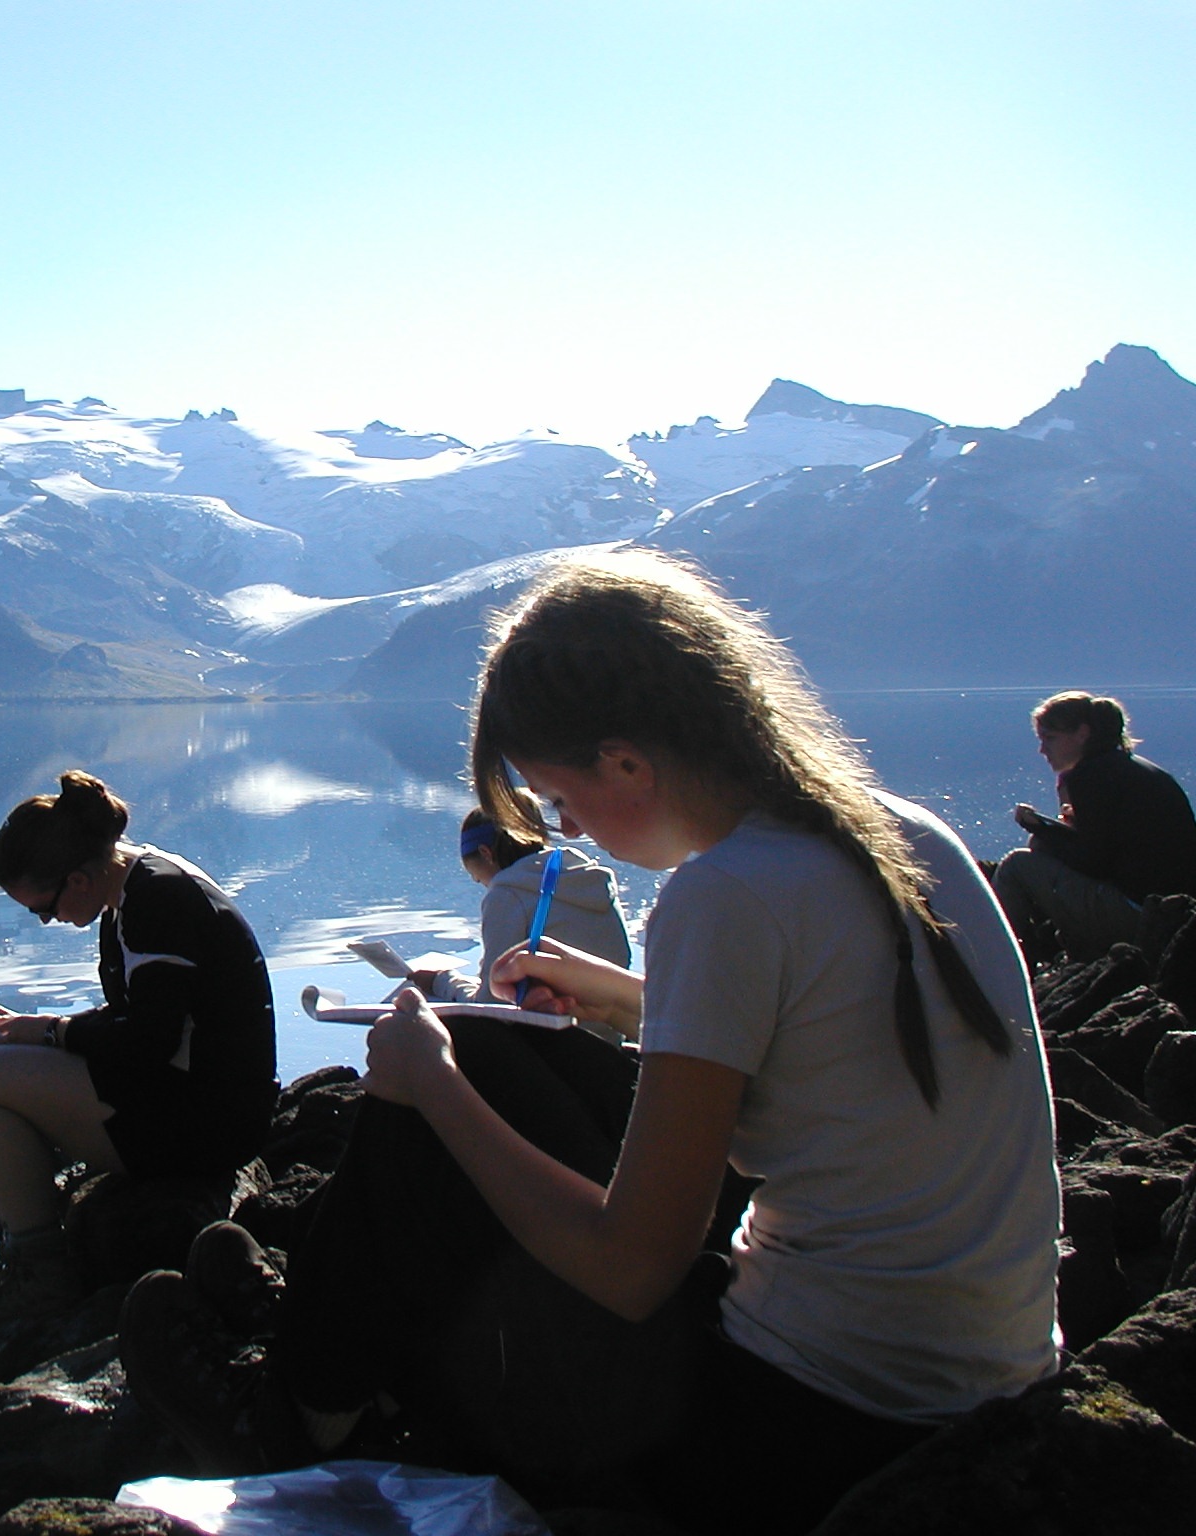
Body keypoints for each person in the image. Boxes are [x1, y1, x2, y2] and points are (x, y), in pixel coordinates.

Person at [121, 551, 1061, 1535]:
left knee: (444, 1093)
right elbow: (812, 1043)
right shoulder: (893, 833)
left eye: (558, 800)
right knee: (488, 1051)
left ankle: (285, 1417)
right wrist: (617, 997)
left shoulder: (724, 894)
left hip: (804, 1427)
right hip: (984, 1384)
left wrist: (432, 1085)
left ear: (625, 762)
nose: (566, 828)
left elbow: (632, 1269)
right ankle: (331, 1342)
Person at [0, 769, 278, 1332]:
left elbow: (148, 1042)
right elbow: (147, 1020)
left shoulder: (156, 904)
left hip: (207, 1125)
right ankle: (31, 1243)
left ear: (76, 880)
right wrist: (37, 1030)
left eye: (42, 908)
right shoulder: (140, 884)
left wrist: (50, 1034)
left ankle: (40, 1276)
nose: (47, 920)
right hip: (210, 1101)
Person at [994, 691, 1196, 963]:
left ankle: (1003, 961)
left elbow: (1093, 863)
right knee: (1041, 846)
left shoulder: (1090, 776)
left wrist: (1040, 827)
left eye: (1050, 738)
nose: (1043, 750)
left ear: (1082, 734)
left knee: (1016, 866)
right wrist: (1050, 832)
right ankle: (1071, 950)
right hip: (1172, 914)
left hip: (1137, 915)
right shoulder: (1135, 769)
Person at [409, 804, 632, 1004]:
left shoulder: (507, 894)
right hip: (611, 1024)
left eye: (473, 872)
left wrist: (443, 981)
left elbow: (491, 1000)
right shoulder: (592, 878)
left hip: (555, 1029)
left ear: (486, 853)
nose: (477, 881)